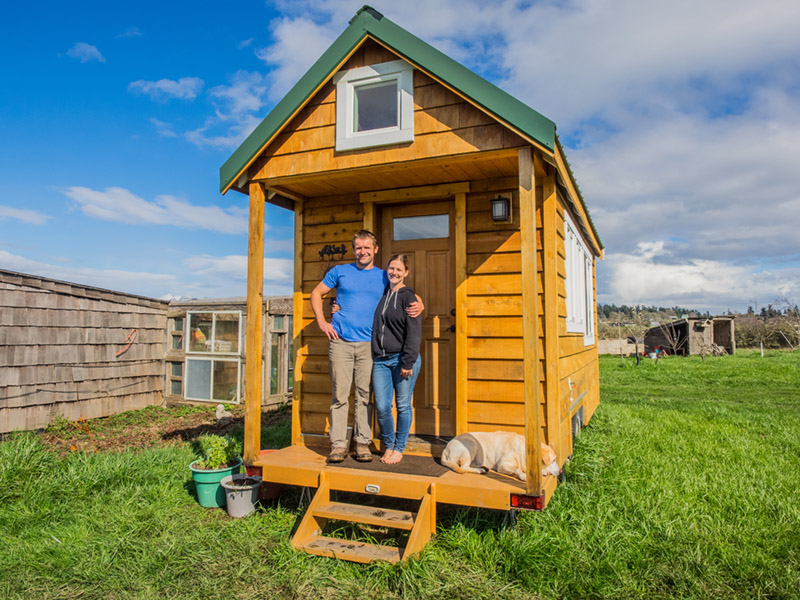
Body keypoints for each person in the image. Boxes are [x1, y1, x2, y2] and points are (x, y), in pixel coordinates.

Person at [310, 230, 421, 464]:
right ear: (354, 249)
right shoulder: (340, 272)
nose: (363, 252)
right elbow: (316, 293)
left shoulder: (383, 276)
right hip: (340, 342)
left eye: (367, 248)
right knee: (340, 395)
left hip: (368, 346)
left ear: (375, 250)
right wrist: (322, 321)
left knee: (364, 395)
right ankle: (338, 444)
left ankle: (362, 443)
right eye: (359, 247)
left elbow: (403, 290)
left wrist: (419, 303)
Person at [371, 254, 422, 465]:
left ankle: (399, 448)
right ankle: (389, 444)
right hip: (381, 360)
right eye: (391, 269)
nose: (394, 273)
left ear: (406, 273)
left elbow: (414, 332)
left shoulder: (408, 297)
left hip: (403, 359)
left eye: (399, 270)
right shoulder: (382, 294)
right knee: (382, 406)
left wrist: (408, 362)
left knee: (402, 405)